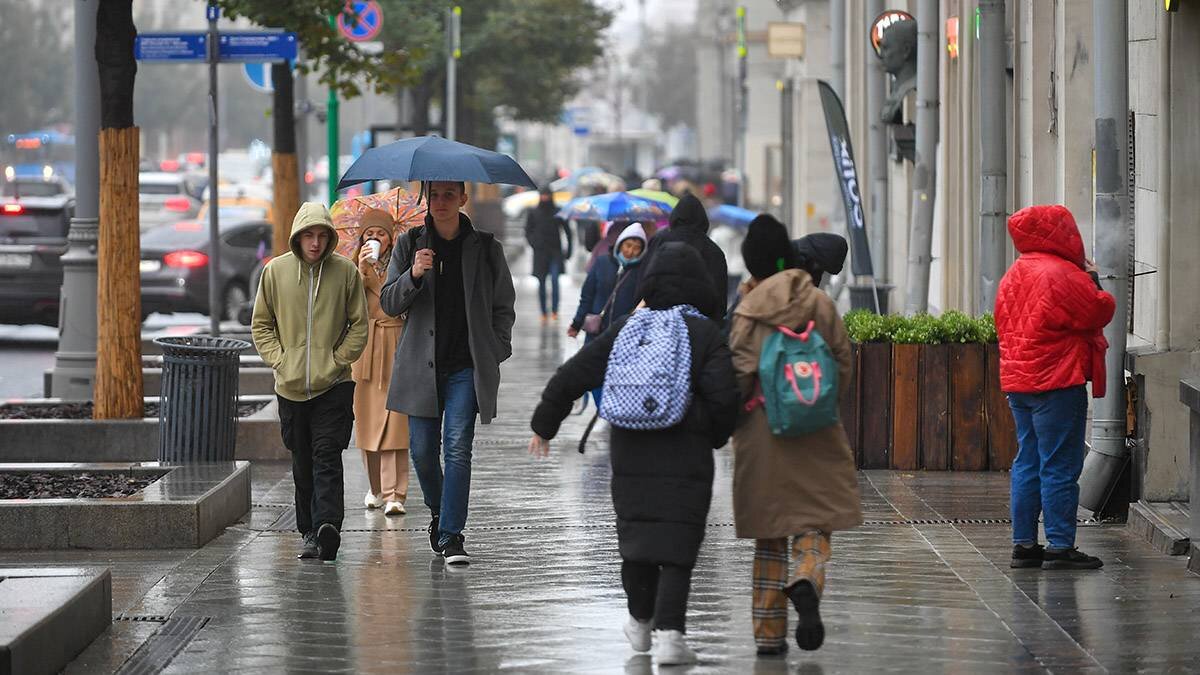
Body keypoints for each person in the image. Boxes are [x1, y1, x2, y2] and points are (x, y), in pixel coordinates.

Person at [529, 242, 739, 665]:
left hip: (630, 448)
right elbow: (724, 400)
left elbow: (576, 372)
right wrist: (710, 434)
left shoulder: (628, 326)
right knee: (679, 544)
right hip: (686, 451)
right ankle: (672, 637)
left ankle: (640, 622)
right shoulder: (704, 333)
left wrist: (545, 424)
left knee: (637, 538)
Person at [728, 214, 862, 655]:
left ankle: (769, 636)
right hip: (817, 430)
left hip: (763, 436)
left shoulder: (748, 310)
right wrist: (820, 405)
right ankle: (806, 577)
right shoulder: (819, 303)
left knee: (770, 538)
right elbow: (842, 363)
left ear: (752, 263)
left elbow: (740, 376)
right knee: (813, 523)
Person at [380, 181, 516, 566]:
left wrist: (495, 349)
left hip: (465, 369)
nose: (440, 203)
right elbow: (389, 303)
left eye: (448, 195)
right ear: (427, 199)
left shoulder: (486, 247)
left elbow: (504, 305)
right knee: (423, 453)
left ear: (462, 199)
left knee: (457, 448)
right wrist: (414, 275)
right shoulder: (409, 244)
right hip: (420, 369)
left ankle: (452, 535)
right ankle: (441, 513)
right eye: (434, 195)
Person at [995, 204, 1115, 570]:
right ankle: (1061, 545)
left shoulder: (1016, 272)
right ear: (1063, 233)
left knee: (1028, 461)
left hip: (1020, 383)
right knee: (1060, 464)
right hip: (1057, 381)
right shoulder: (1062, 273)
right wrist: (1093, 279)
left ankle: (1025, 544)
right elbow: (1099, 310)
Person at [252, 202, 368, 562]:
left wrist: (336, 360)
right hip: (290, 388)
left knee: (327, 455)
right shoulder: (276, 273)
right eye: (308, 236)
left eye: (321, 236)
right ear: (297, 238)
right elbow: (261, 324)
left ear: (330, 238)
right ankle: (308, 531)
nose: (315, 243)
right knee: (302, 462)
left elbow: (359, 325)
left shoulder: (345, 273)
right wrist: (281, 361)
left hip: (334, 385)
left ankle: (327, 526)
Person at [352, 210, 410, 516]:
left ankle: (395, 493)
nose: (375, 239)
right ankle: (375, 489)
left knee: (395, 424)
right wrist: (362, 272)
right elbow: (349, 307)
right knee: (367, 424)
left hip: (396, 345)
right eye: (369, 234)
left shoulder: (402, 264)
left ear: (391, 237)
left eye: (381, 233)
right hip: (366, 350)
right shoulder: (352, 268)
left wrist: (377, 275)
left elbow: (400, 299)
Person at [569, 222, 648, 410]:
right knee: (592, 374)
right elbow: (587, 295)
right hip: (597, 332)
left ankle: (612, 410)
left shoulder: (641, 271)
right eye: (628, 245)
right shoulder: (602, 262)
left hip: (625, 335)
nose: (631, 251)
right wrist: (576, 323)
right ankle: (603, 409)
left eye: (637, 248)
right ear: (620, 244)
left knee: (618, 375)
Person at [639, 193, 729, 322]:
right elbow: (720, 299)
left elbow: (644, 282)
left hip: (658, 320)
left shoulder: (660, 241)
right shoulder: (713, 250)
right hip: (701, 326)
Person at [524, 186, 573, 323]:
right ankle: (544, 312)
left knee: (555, 280)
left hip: (555, 252)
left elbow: (568, 231)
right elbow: (528, 231)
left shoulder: (558, 211)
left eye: (547, 195)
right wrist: (534, 243)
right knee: (542, 283)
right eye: (543, 195)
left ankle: (555, 311)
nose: (545, 198)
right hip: (540, 253)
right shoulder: (533, 212)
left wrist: (569, 250)